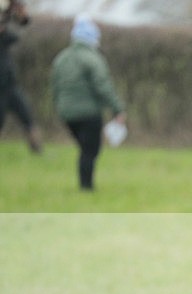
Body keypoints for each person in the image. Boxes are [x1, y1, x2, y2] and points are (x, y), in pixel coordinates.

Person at [51, 14, 126, 191]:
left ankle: (85, 186)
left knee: (85, 149)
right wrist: (118, 109)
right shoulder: (93, 59)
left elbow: (55, 87)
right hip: (88, 113)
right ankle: (86, 188)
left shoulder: (61, 58)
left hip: (66, 113)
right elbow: (103, 86)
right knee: (90, 150)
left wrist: (59, 107)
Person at [0, 4, 42, 153]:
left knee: (27, 116)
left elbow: (18, 32)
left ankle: (37, 150)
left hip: (10, 85)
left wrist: (13, 15)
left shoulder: (5, 38)